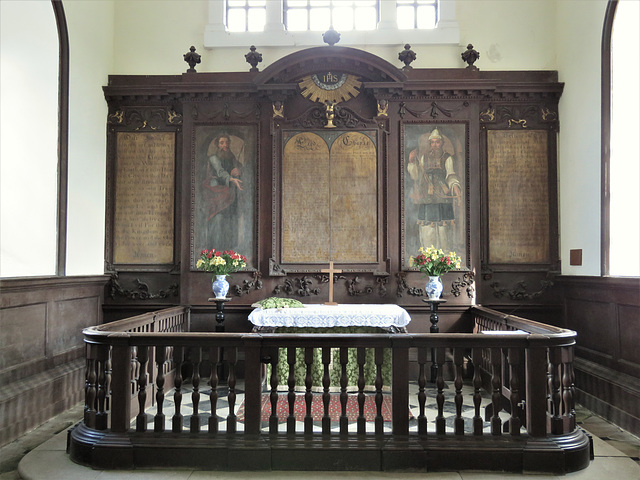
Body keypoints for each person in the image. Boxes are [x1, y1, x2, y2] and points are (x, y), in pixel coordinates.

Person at [407, 128, 462, 251]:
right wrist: (411, 162)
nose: (435, 145)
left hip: (442, 196)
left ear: (442, 143)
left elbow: (451, 175)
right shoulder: (424, 158)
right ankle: (429, 255)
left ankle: (445, 257)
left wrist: (455, 186)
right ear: (430, 144)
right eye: (432, 142)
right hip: (427, 197)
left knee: (443, 229)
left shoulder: (447, 158)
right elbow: (416, 176)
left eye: (437, 142)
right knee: (428, 228)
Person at [202, 134, 243, 251]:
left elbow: (240, 168)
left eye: (227, 142)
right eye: (222, 142)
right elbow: (220, 172)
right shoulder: (214, 158)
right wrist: (231, 178)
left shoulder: (232, 158)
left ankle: (229, 251)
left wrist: (238, 170)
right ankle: (215, 251)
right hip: (217, 193)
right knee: (218, 219)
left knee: (230, 220)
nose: (225, 145)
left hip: (230, 194)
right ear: (217, 145)